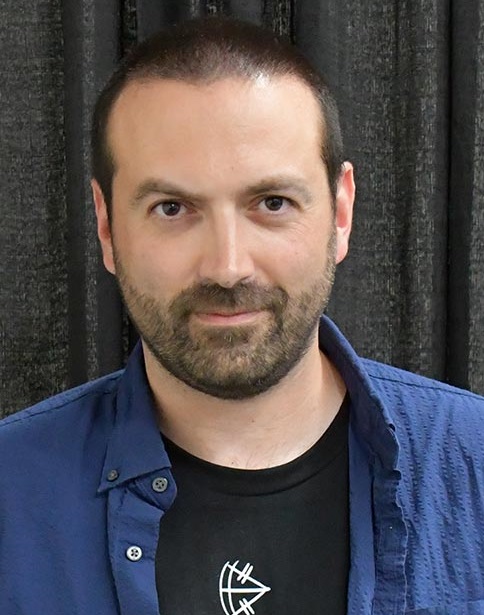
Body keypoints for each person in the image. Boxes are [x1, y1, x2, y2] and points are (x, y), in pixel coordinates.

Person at [0, 16, 483, 615]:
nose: (227, 268)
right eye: (172, 208)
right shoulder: (11, 493)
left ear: (340, 213)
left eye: (272, 203)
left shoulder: (472, 461)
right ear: (106, 226)